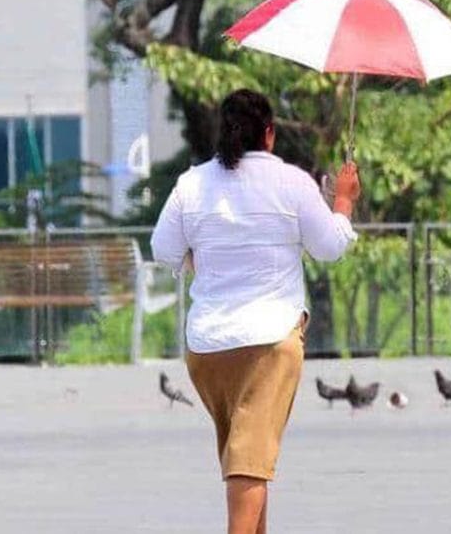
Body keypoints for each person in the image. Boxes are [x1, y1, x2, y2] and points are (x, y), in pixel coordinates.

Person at [151, 89, 360, 534]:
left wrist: (199, 259)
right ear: (269, 134)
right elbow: (330, 247)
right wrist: (343, 201)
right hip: (270, 343)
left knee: (244, 458)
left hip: (207, 350)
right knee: (250, 462)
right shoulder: (292, 182)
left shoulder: (192, 184)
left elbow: (163, 249)